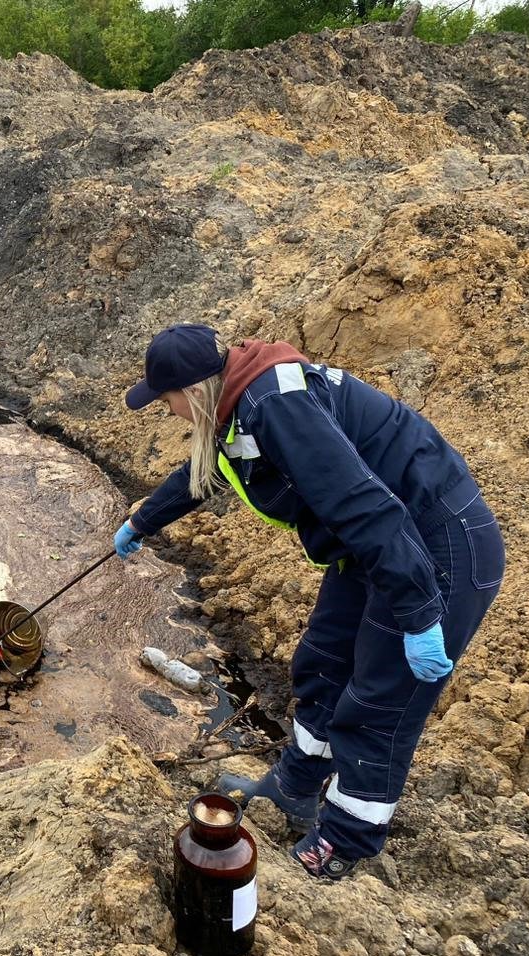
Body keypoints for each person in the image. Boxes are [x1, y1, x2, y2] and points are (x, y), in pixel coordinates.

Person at [114, 324, 504, 880]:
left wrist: (419, 612)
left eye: (167, 400)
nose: (168, 410)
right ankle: (293, 788)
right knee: (324, 662)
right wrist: (143, 519)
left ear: (194, 390)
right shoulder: (239, 403)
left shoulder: (277, 404)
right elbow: (210, 472)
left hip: (432, 544)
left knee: (380, 698)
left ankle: (343, 841)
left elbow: (363, 505)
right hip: (377, 545)